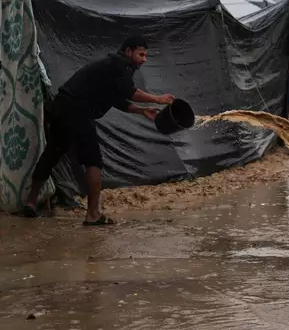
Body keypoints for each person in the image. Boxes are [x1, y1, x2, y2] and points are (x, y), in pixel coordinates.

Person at [21, 36, 175, 225]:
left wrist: (142, 111)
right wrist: (157, 99)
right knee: (93, 160)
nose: (144, 59)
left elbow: (117, 99)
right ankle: (93, 214)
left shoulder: (111, 66)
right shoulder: (122, 64)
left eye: (145, 55)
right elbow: (129, 92)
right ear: (128, 52)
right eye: (141, 54)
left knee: (53, 152)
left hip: (62, 106)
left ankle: (30, 201)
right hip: (78, 109)